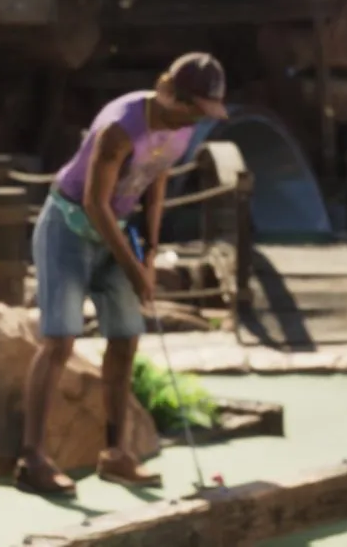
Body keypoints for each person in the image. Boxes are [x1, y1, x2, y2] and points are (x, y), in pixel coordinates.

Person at [15, 52, 229, 495]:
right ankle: (30, 459)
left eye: (203, 113)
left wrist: (150, 251)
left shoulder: (180, 128)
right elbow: (95, 202)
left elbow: (157, 182)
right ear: (168, 92)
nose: (194, 119)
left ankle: (115, 453)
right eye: (192, 108)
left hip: (116, 231)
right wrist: (134, 270)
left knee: (127, 336)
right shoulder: (120, 126)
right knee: (60, 340)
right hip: (69, 229)